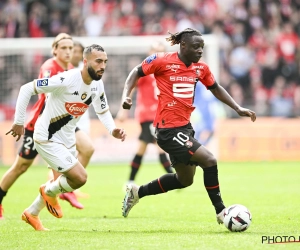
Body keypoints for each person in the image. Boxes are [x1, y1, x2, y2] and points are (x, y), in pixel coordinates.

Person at [121, 28, 256, 224]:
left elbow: (215, 88)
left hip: (184, 128)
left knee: (184, 180)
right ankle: (221, 212)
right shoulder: (161, 60)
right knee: (209, 160)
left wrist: (237, 107)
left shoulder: (200, 68)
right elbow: (136, 72)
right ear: (183, 45)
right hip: (167, 130)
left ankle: (137, 192)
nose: (200, 51)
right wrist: (126, 94)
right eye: (196, 46)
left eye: (201, 47)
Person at [6, 44, 126, 231]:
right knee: (80, 178)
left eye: (105, 62)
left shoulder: (97, 84)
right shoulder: (66, 79)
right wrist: (19, 121)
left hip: (67, 139)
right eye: (99, 61)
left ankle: (32, 212)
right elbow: (26, 89)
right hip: (47, 137)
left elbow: (102, 111)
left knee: (64, 181)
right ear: (85, 62)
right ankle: (47, 192)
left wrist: (113, 129)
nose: (103, 66)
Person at [0, 33, 91, 220]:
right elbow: (46, 95)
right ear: (55, 50)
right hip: (41, 124)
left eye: (70, 48)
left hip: (62, 124)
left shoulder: (73, 68)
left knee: (87, 148)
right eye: (64, 48)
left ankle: (62, 189)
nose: (68, 51)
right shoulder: (49, 67)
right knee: (21, 167)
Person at [116, 41, 173, 188]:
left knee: (143, 146)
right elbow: (132, 85)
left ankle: (130, 181)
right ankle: (174, 176)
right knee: (160, 144)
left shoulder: (166, 70)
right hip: (147, 115)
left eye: (161, 52)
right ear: (149, 52)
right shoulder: (144, 69)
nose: (158, 54)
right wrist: (124, 110)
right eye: (155, 51)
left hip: (160, 115)